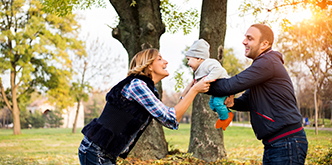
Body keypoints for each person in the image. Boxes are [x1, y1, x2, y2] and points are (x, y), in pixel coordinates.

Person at [78, 48, 213, 165]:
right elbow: (171, 118)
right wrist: (194, 90)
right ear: (149, 66)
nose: (166, 62)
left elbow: (170, 116)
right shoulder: (137, 85)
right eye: (159, 59)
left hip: (102, 151)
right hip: (96, 151)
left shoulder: (145, 88)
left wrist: (190, 90)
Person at [206, 24, 308, 164]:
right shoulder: (263, 65)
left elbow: (230, 85)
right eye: (245, 37)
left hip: (286, 142)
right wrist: (233, 103)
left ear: (264, 44)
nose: (244, 41)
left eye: (250, 38)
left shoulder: (268, 62)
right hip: (275, 143)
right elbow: (248, 101)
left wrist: (201, 84)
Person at [184, 39, 233, 131]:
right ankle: (227, 113)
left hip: (225, 87)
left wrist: (208, 79)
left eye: (189, 59)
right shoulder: (199, 68)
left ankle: (225, 118)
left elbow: (217, 69)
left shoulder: (208, 63)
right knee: (212, 105)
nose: (188, 63)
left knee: (217, 103)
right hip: (217, 90)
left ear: (198, 58)